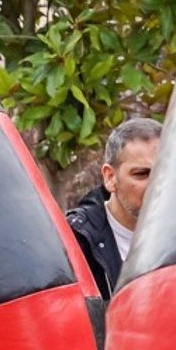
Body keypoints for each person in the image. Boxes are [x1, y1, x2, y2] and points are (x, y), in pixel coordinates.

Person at [66, 117, 162, 300]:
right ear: (110, 177)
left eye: (164, 171)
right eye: (142, 174)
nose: (157, 184)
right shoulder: (75, 242)